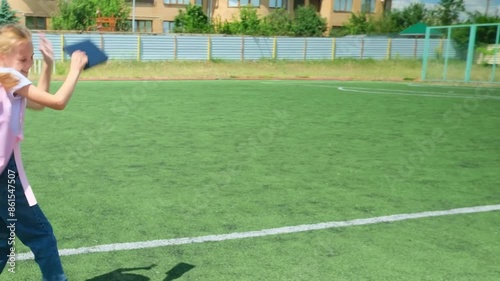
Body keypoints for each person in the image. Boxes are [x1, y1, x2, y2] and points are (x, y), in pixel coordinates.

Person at [0, 24, 88, 281]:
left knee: (3, 241)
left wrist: (48, 65)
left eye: (31, 58)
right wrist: (74, 69)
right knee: (42, 235)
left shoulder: (8, 79)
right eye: (23, 59)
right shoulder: (9, 76)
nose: (28, 64)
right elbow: (57, 102)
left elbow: (38, 103)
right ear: (2, 57)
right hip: (5, 176)